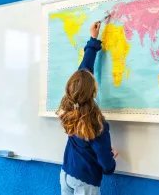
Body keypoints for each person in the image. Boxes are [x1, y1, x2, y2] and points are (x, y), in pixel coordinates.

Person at [57, 21, 118, 195]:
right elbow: (107, 166)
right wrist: (111, 160)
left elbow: (83, 73)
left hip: (66, 174)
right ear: (93, 90)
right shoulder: (97, 123)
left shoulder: (70, 105)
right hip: (86, 183)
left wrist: (93, 39)